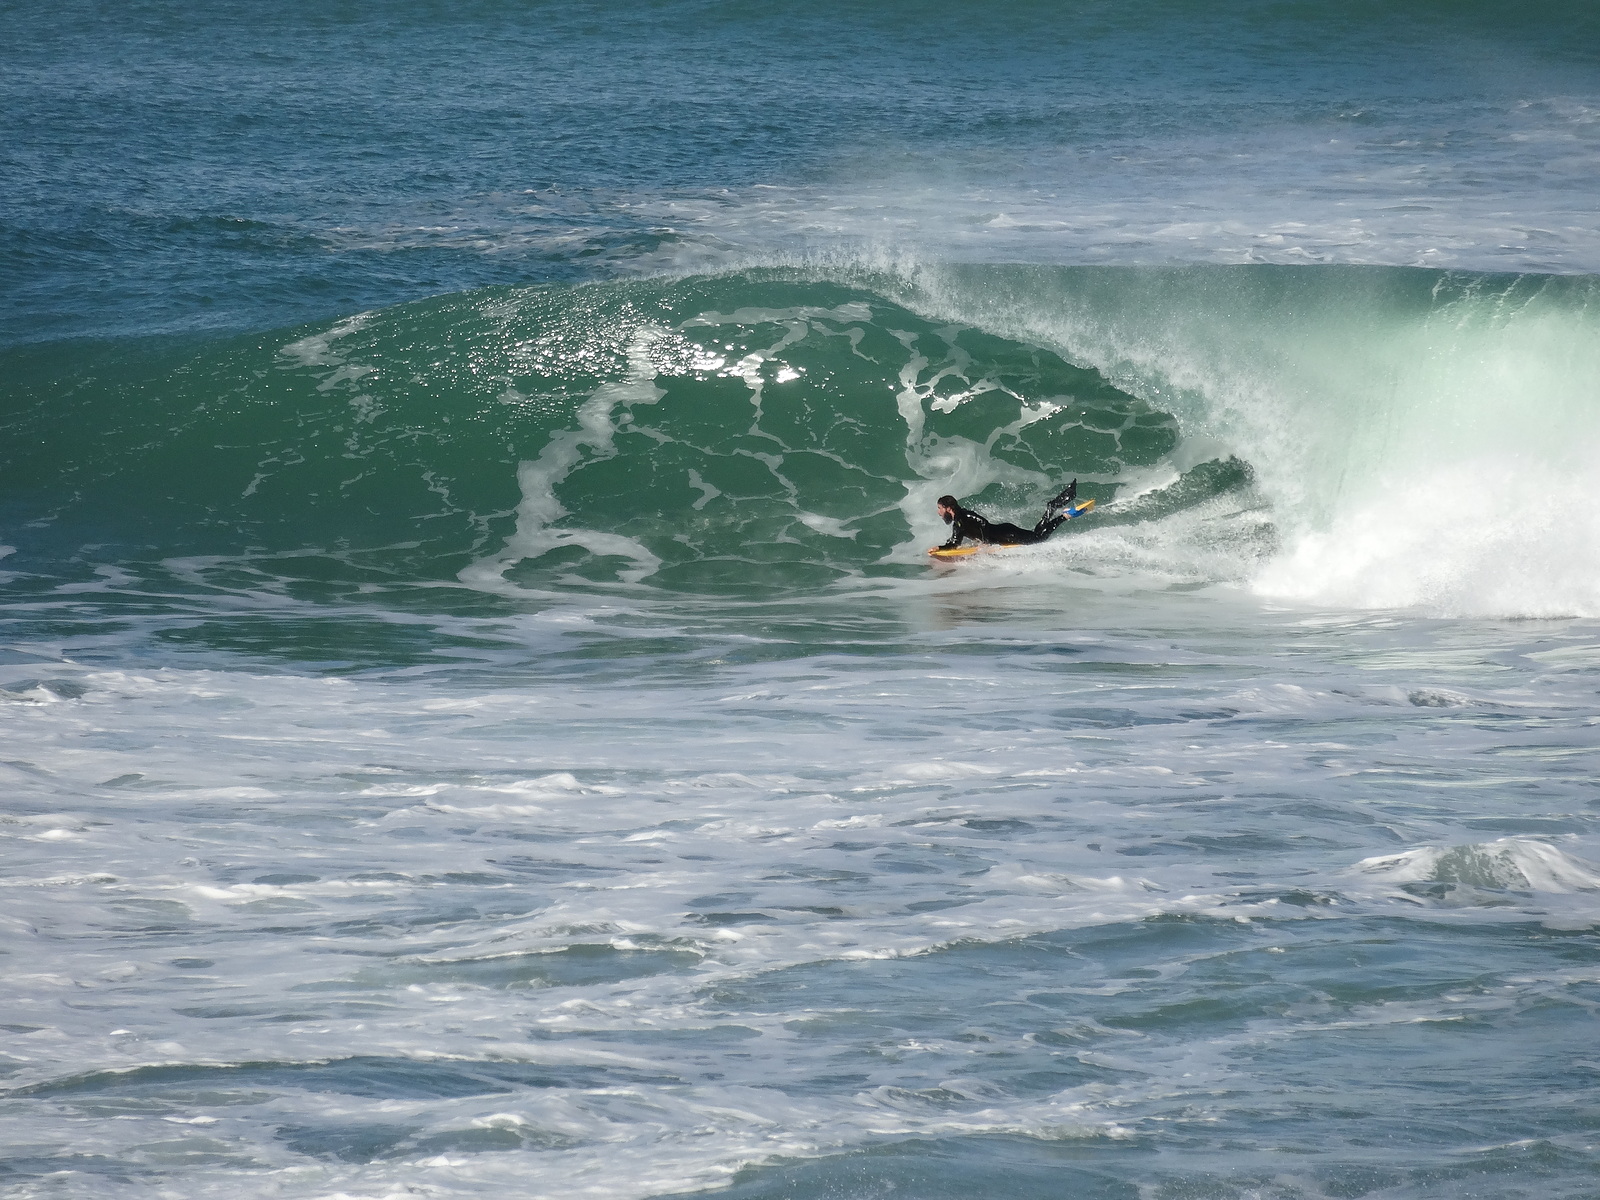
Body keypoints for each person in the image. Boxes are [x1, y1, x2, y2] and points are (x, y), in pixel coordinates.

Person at [934, 480, 1078, 551]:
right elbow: (955, 541)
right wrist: (943, 547)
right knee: (1036, 534)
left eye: (940, 508)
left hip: (1007, 534)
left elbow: (983, 522)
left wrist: (984, 541)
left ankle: (1064, 516)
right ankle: (1052, 507)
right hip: (1004, 533)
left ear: (948, 508)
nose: (938, 512)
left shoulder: (963, 517)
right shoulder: (959, 520)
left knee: (1038, 539)